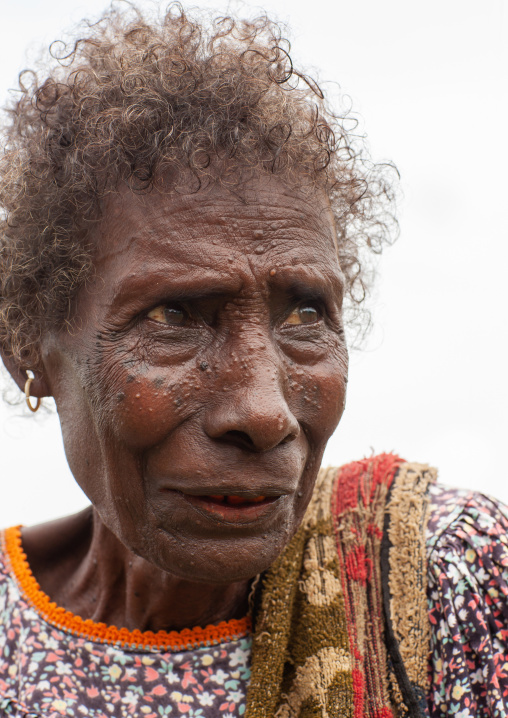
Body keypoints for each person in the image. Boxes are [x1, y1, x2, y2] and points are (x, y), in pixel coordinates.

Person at [0, 4, 507, 717]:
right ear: (30, 353)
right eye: (174, 316)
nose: (265, 413)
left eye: (305, 315)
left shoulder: (444, 581)